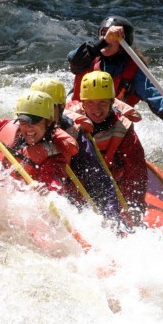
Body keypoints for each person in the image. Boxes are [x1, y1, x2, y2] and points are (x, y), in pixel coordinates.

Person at [67, 15, 163, 128]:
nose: (108, 38)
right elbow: (73, 60)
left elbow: (155, 96)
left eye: (113, 36)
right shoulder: (87, 57)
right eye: (104, 33)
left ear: (124, 42)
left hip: (110, 123)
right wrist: (103, 42)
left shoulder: (134, 70)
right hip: (79, 117)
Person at [30, 78, 121, 219]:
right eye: (36, 108)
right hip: (31, 193)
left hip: (65, 196)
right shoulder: (23, 128)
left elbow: (99, 180)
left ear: (61, 107)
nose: (42, 114)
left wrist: (111, 217)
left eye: (49, 107)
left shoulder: (75, 136)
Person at [68, 71, 148, 224]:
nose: (97, 110)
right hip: (78, 183)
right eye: (91, 103)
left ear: (112, 102)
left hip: (111, 183)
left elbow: (135, 169)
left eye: (103, 103)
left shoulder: (122, 126)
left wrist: (134, 205)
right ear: (82, 103)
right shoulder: (68, 121)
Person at [0, 90, 79, 196]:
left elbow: (55, 183)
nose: (28, 128)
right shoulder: (4, 126)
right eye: (23, 121)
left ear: (49, 121)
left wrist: (49, 190)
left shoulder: (52, 158)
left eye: (34, 122)